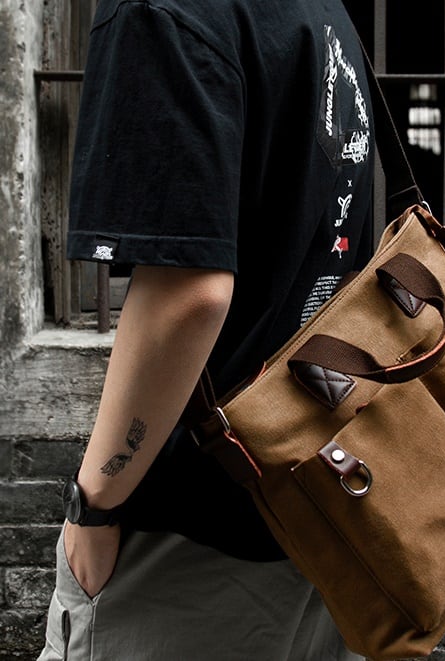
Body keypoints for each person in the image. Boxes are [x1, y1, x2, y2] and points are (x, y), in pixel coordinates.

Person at [38, 0, 374, 659]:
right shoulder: (320, 10)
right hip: (322, 506)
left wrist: (95, 505)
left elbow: (189, 296)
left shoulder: (159, 10)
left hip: (189, 545)